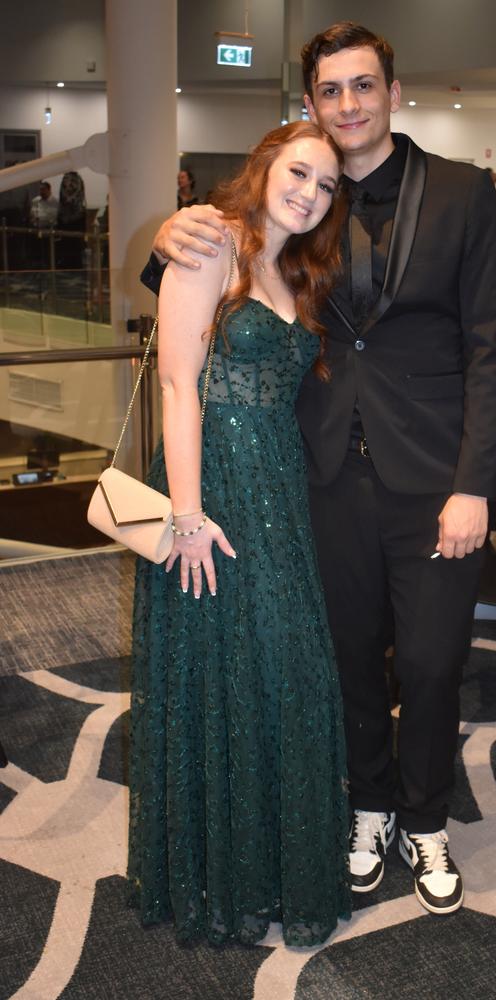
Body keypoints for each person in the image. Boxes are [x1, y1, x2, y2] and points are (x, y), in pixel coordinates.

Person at [143, 21, 496, 917]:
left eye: (363, 86)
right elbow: (215, 293)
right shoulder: (306, 201)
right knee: (343, 661)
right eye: (330, 91)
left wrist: (476, 485)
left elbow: (492, 350)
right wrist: (166, 239)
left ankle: (427, 820)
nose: (348, 104)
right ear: (309, 105)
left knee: (429, 664)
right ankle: (369, 807)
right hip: (317, 478)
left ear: (393, 91)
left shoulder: (466, 195)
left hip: (433, 481)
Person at [129, 120, 351, 947]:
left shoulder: (294, 265)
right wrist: (186, 514)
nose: (310, 192)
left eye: (327, 185)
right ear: (265, 167)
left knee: (281, 666)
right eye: (300, 172)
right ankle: (222, 875)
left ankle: (271, 860)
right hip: (212, 482)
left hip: (279, 488)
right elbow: (178, 383)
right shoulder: (211, 240)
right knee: (224, 667)